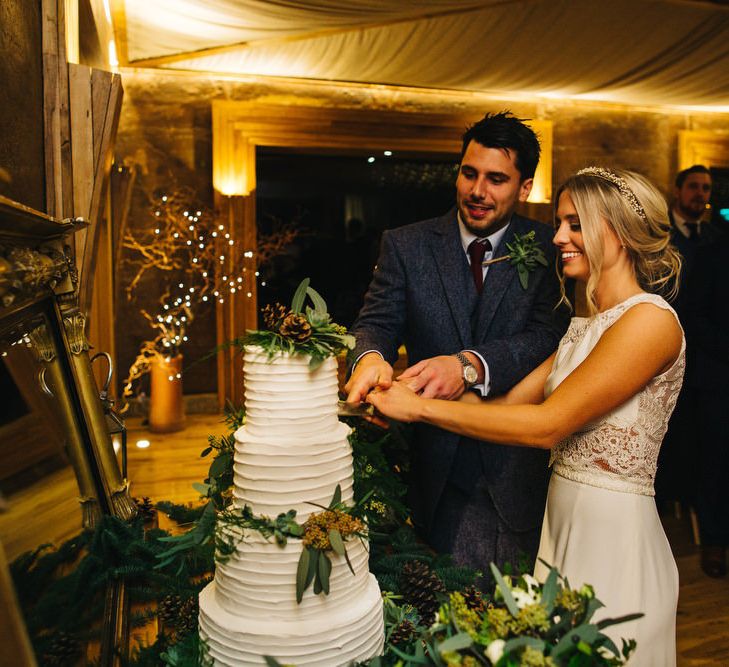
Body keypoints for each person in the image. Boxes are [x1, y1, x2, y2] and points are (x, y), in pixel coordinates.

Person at [367, 167, 683, 664]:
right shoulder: (582, 327)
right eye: (560, 222)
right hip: (560, 525)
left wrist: (420, 409)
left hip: (615, 536)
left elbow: (547, 425)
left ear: (618, 232)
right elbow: (505, 410)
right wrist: (398, 392)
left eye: (575, 225)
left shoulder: (651, 321)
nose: (558, 237)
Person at [346, 111, 570, 576]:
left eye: (496, 179)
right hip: (436, 465)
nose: (477, 191)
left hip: (519, 467)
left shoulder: (554, 248)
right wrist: (369, 358)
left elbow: (550, 336)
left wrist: (468, 365)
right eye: (469, 173)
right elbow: (377, 323)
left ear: (524, 188)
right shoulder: (406, 245)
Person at [683, 239, 729, 577]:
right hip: (719, 379)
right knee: (716, 463)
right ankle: (714, 542)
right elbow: (695, 315)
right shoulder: (714, 249)